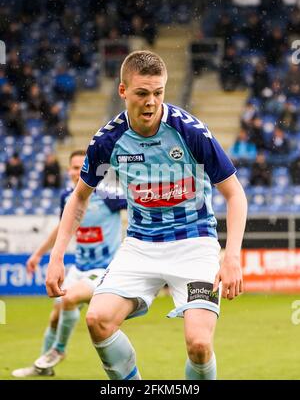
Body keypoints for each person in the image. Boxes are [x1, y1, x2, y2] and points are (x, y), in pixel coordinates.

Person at [45, 51, 247, 380]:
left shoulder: (191, 131)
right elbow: (78, 198)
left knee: (198, 343)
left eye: (158, 92)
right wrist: (56, 258)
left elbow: (235, 193)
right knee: (97, 320)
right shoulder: (107, 141)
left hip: (195, 244)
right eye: (142, 93)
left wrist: (233, 257)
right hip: (140, 245)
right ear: (123, 91)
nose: (151, 102)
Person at [12, 150, 127, 377]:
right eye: (74, 168)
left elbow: (138, 203)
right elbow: (61, 229)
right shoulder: (68, 197)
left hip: (104, 270)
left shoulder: (109, 195)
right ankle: (43, 368)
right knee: (55, 316)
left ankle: (60, 350)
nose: (78, 172)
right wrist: (38, 254)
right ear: (68, 171)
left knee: (70, 298)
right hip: (79, 268)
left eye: (82, 167)